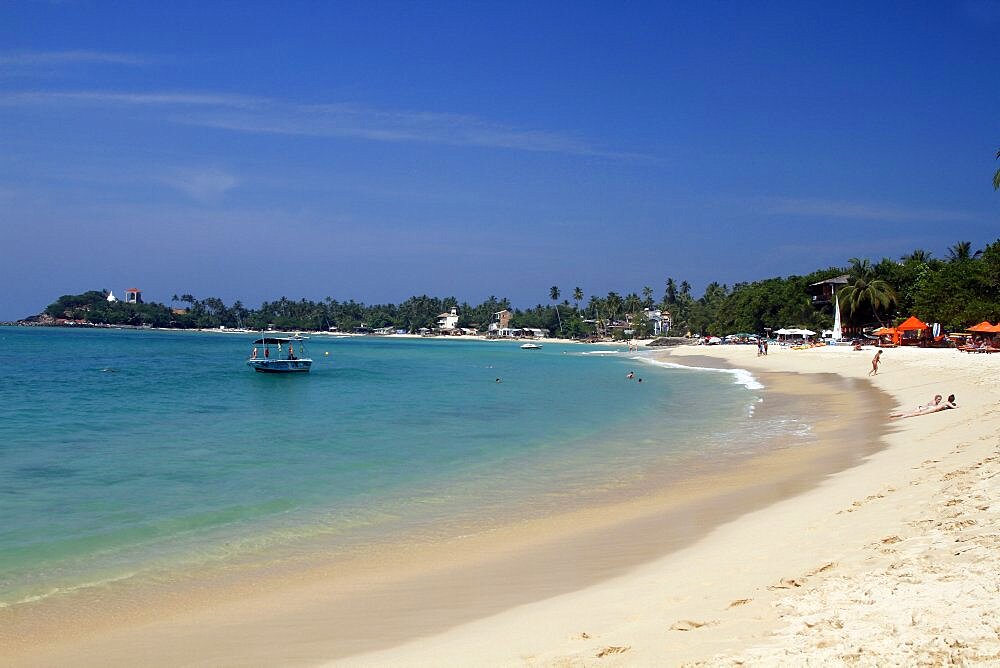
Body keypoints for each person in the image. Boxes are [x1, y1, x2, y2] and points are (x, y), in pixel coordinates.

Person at [890, 394, 956, 419]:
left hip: (921, 407)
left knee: (908, 411)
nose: (939, 400)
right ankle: (903, 416)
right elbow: (953, 407)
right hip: (925, 408)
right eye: (938, 399)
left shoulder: (940, 403)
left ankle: (895, 414)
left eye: (940, 399)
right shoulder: (946, 403)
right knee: (917, 414)